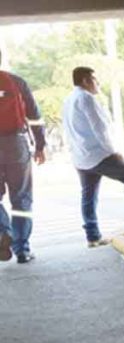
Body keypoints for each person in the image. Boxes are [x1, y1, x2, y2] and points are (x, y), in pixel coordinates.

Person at [62, 66, 124, 248]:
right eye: (95, 79)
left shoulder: (68, 100)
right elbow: (99, 127)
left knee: (88, 195)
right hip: (98, 154)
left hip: (80, 156)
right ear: (85, 81)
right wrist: (113, 151)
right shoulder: (86, 98)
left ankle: (92, 236)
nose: (98, 84)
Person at [0, 49, 46, 264]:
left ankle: (3, 232)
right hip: (15, 144)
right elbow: (34, 115)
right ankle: (22, 249)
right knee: (21, 199)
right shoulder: (15, 81)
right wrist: (40, 145)